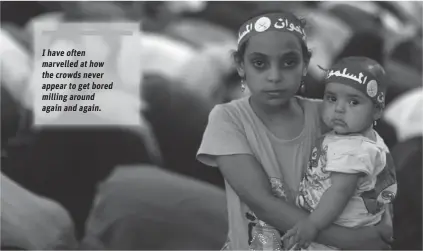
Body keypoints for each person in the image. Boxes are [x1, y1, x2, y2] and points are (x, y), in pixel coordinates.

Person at [197, 11, 393, 250]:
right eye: (259, 63)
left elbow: (375, 178)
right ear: (240, 65)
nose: (274, 77)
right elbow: (261, 201)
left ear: (305, 65)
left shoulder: (330, 116)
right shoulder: (229, 119)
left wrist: (382, 224)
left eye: (289, 63)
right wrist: (350, 240)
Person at [281, 57, 397, 250]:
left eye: (353, 102)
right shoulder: (368, 140)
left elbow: (340, 191)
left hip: (333, 233)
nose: (339, 109)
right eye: (332, 98)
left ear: (377, 111)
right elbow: (383, 189)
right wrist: (385, 221)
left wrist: (313, 224)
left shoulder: (353, 150)